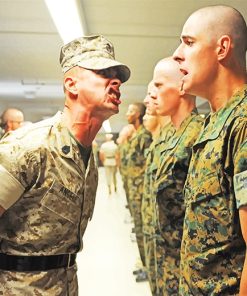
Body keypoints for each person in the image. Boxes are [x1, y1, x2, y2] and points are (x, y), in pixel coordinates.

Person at [0, 34, 130, 295]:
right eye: (103, 72)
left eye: (117, 75)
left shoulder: (87, 157)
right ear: (71, 84)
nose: (115, 81)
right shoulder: (29, 147)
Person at [173, 5, 247, 295]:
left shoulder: (241, 124)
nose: (178, 53)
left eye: (189, 42)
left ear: (222, 48)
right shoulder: (214, 123)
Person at [151, 57, 204, 295]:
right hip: (167, 256)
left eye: (159, 85)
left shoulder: (197, 135)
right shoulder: (173, 136)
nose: (153, 93)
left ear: (181, 87)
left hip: (187, 263)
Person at [142, 80, 174, 295]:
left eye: (157, 88)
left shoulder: (185, 138)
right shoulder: (161, 141)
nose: (148, 100)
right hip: (160, 240)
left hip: (176, 253)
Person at [126, 102, 152, 282]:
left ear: (138, 114)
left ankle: (147, 268)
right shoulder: (136, 135)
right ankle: (144, 264)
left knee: (144, 232)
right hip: (135, 191)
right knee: (140, 232)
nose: (127, 114)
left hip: (141, 192)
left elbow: (146, 165)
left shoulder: (145, 136)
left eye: (130, 111)